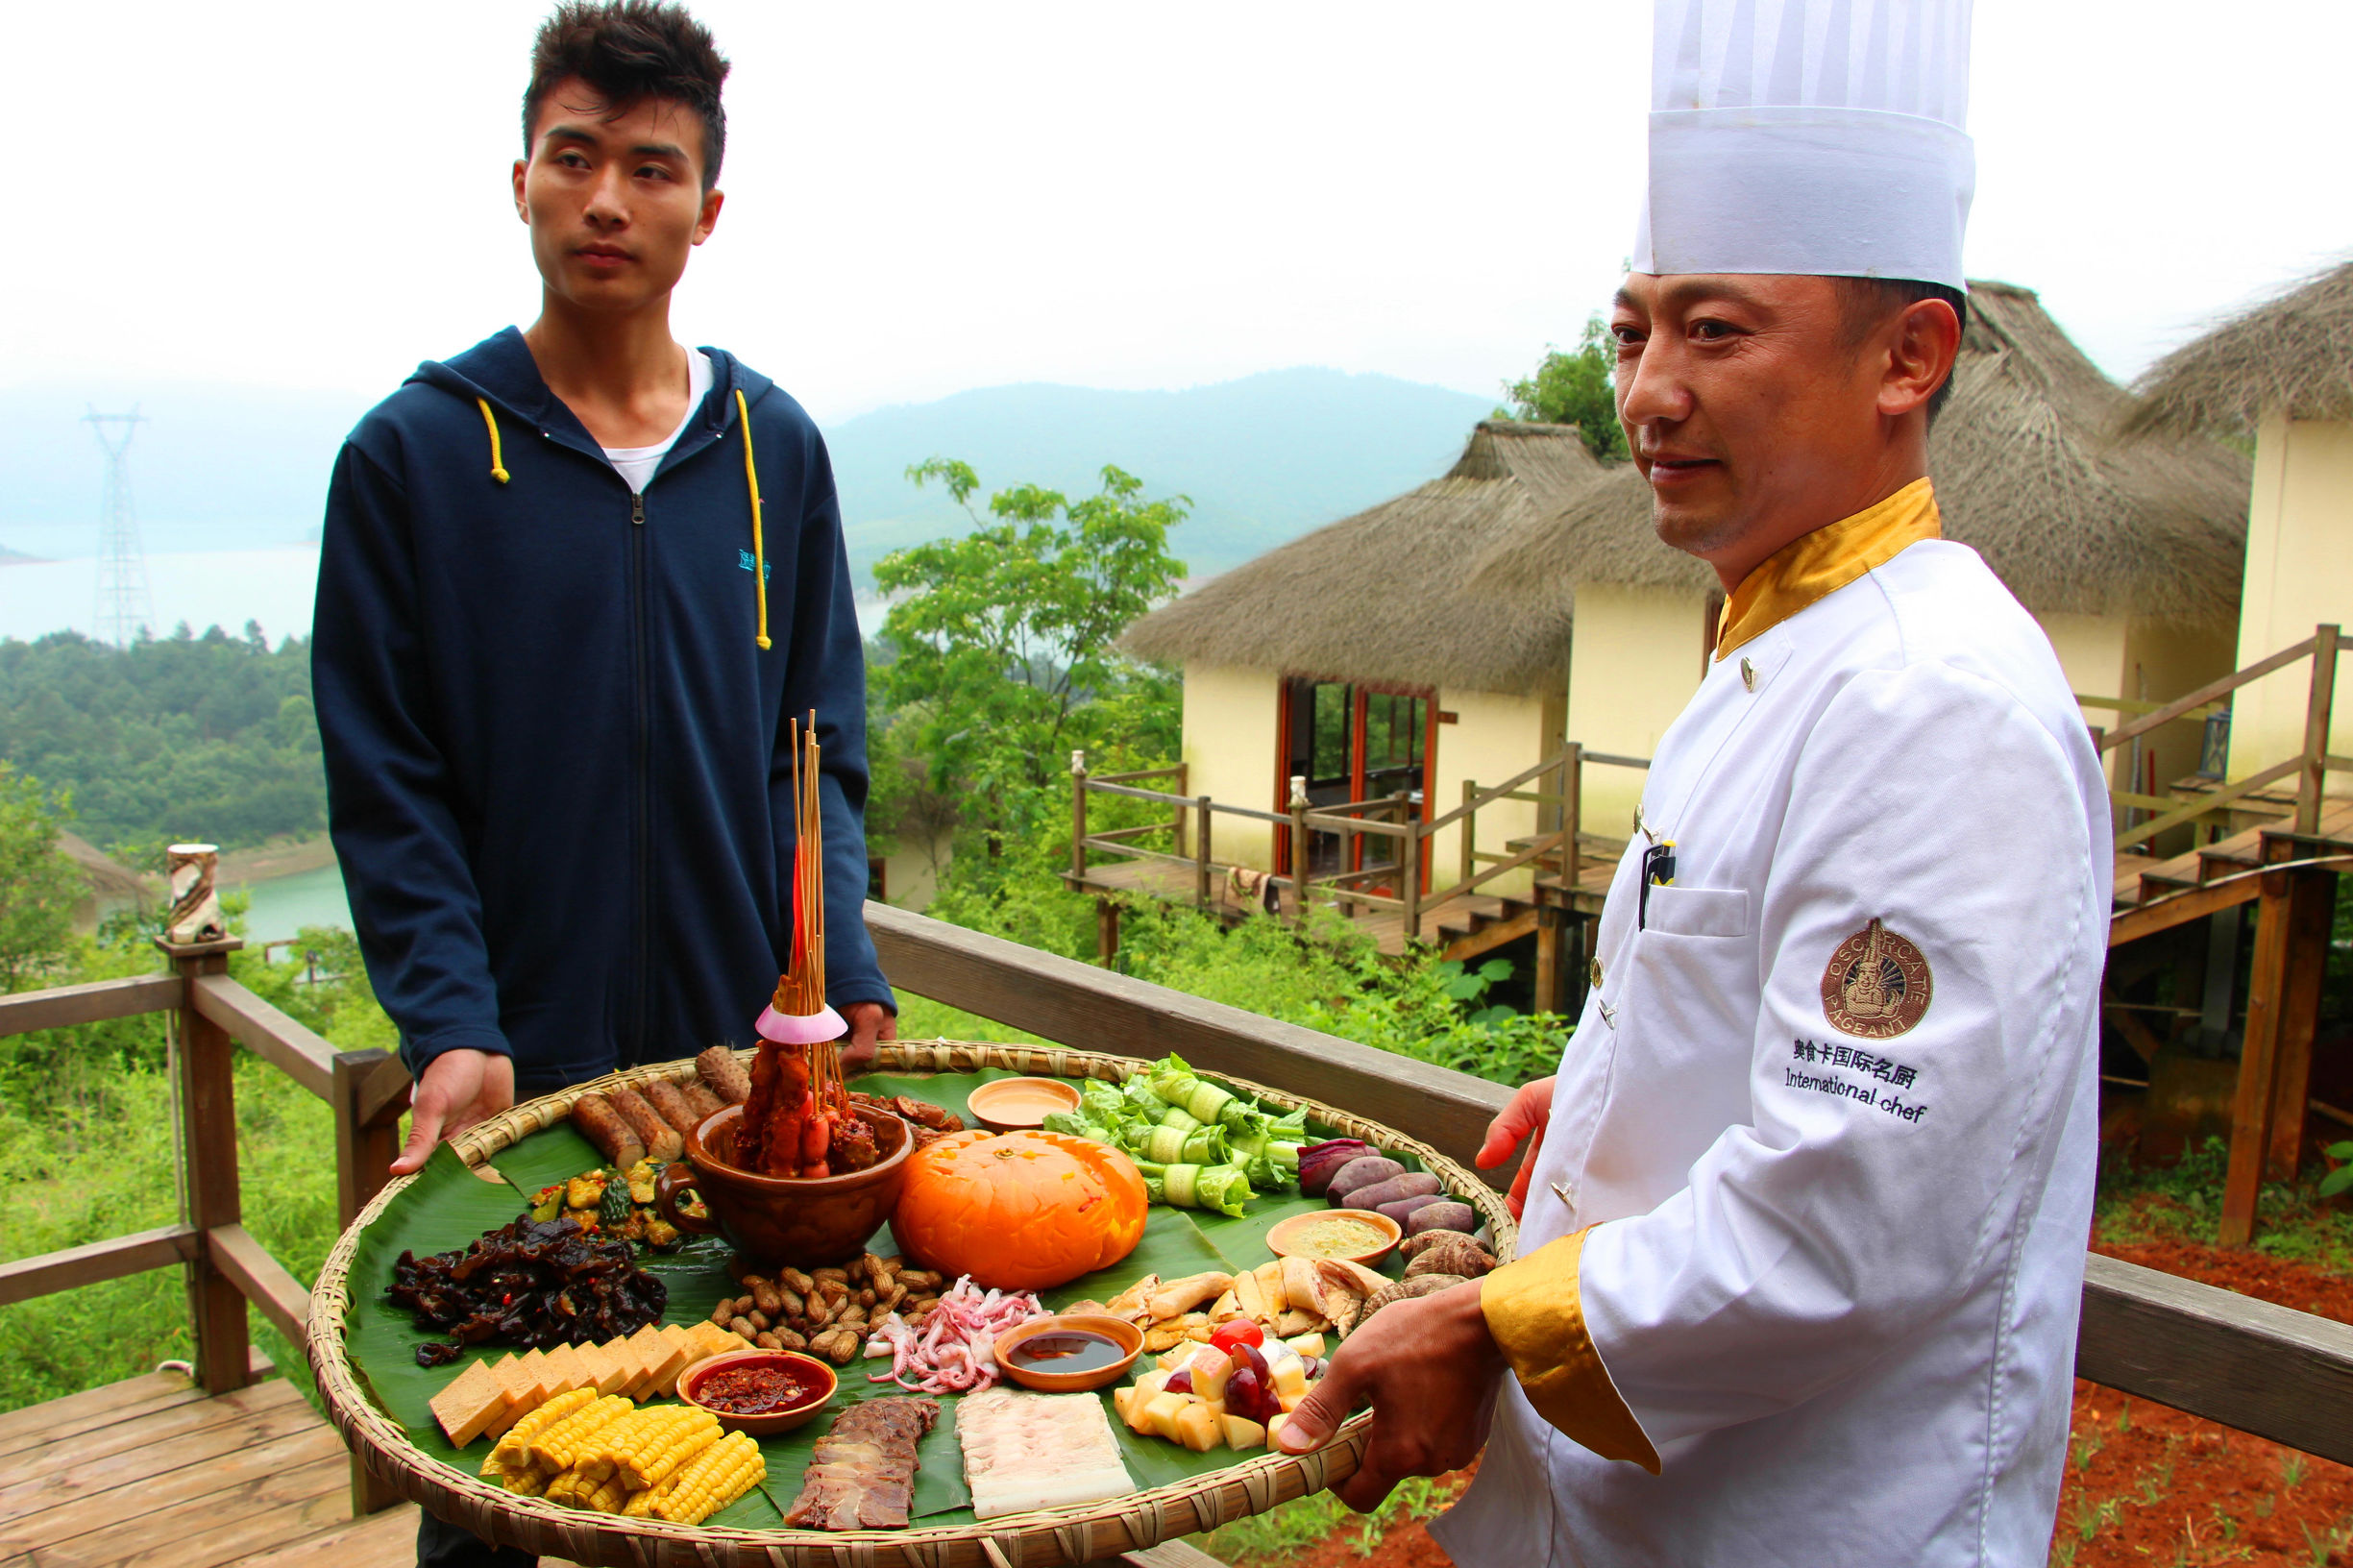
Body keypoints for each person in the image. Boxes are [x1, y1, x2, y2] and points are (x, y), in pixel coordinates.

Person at [1276, 2, 2108, 1563]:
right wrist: (1614, 1090)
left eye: (1714, 331)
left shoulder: (1931, 704)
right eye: (1630, 331)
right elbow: (1758, 1011)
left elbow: (1850, 1217)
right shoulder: (1772, 640)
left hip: (1801, 1517)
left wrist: (1486, 1328)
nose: (1647, 392)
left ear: (1905, 357)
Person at [314, 9, 894, 1554]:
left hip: (738, 1080)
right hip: (529, 1076)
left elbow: (819, 754)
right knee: (507, 1470)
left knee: (751, 1450)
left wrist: (852, 971)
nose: (607, 202)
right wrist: (449, 1021)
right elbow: (389, 783)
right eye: (575, 159)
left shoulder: (773, 450)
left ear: (708, 213)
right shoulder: (416, 459)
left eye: (652, 168)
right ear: (519, 181)